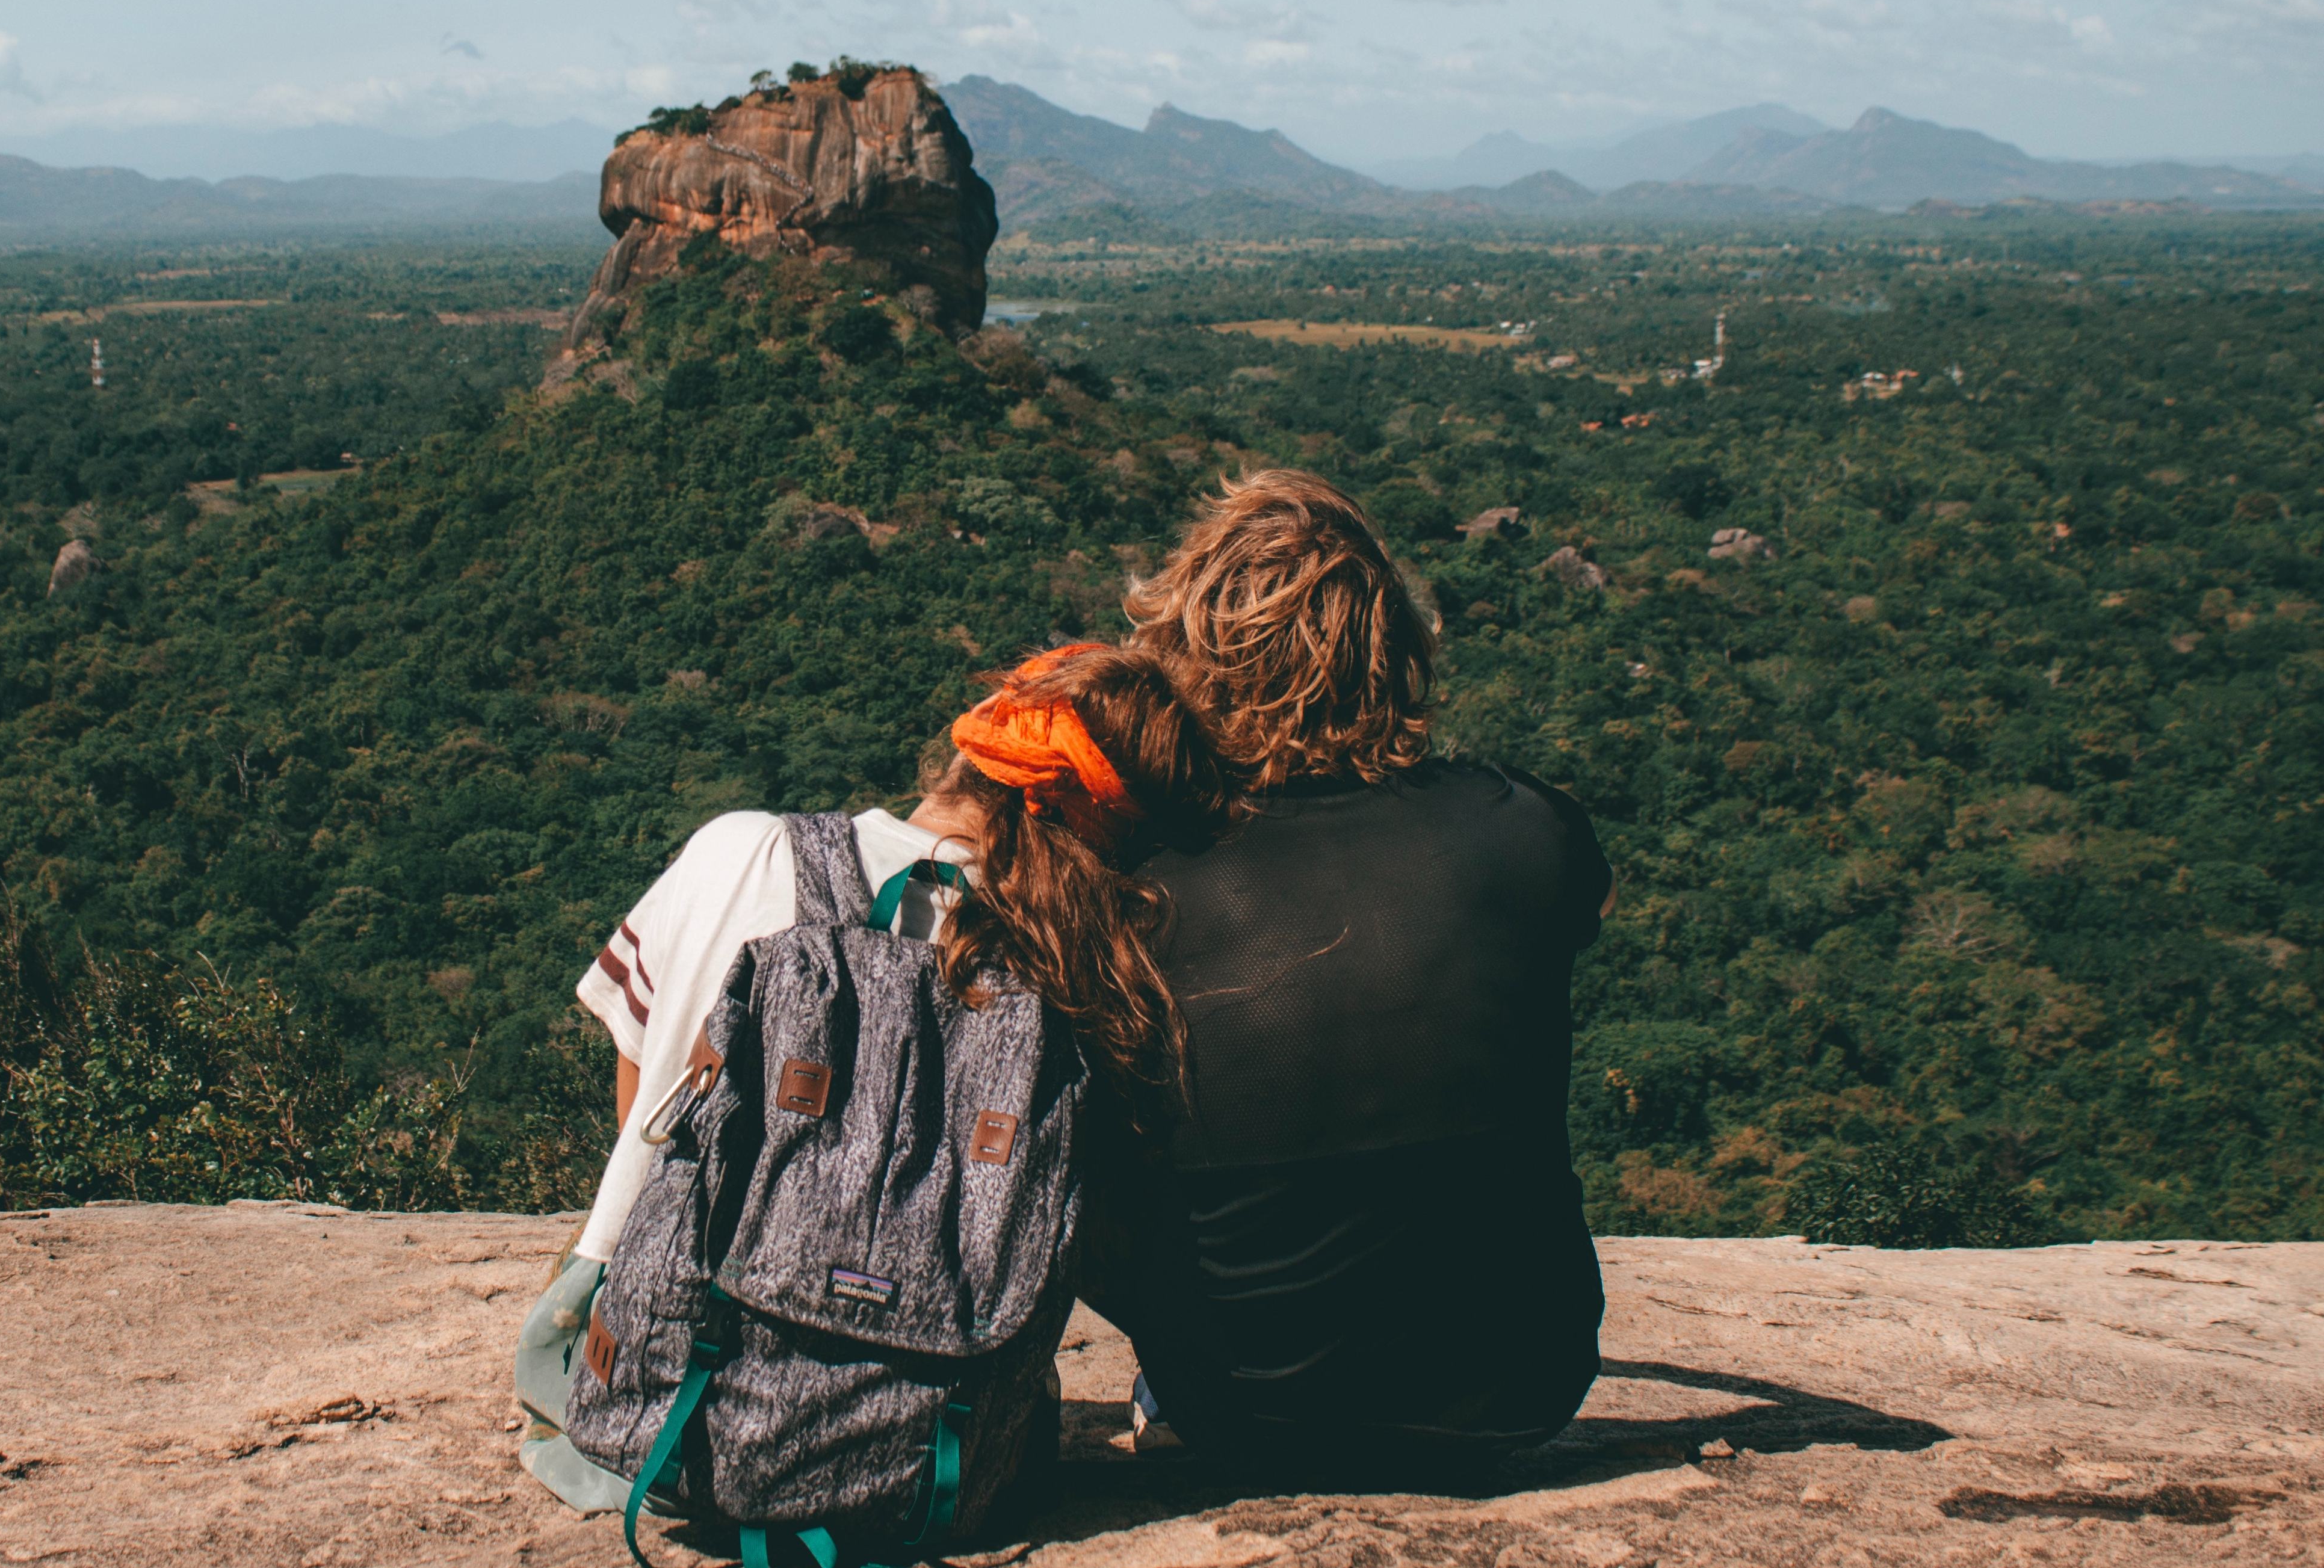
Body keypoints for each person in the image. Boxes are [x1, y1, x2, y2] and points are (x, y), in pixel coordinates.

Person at [513, 643, 1230, 1509]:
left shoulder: (739, 849)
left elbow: (642, 1101)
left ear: (967, 749)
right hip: (933, 1427)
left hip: (648, 1396)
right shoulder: (1084, 965)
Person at [1086, 468, 1616, 1484]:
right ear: (1394, 650)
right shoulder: (1526, 829)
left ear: (1187, 654)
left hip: (1244, 1406)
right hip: (1522, 1387)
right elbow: (1576, 924)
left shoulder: (1137, 880)